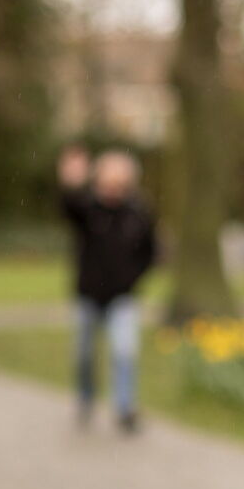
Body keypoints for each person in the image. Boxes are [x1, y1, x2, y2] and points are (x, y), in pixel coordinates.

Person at [57, 146, 158, 433]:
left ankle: (124, 408)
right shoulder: (87, 208)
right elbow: (68, 208)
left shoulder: (139, 211)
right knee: (85, 355)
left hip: (122, 297)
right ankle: (86, 399)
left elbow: (151, 252)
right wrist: (71, 182)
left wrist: (133, 279)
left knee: (124, 352)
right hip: (88, 296)